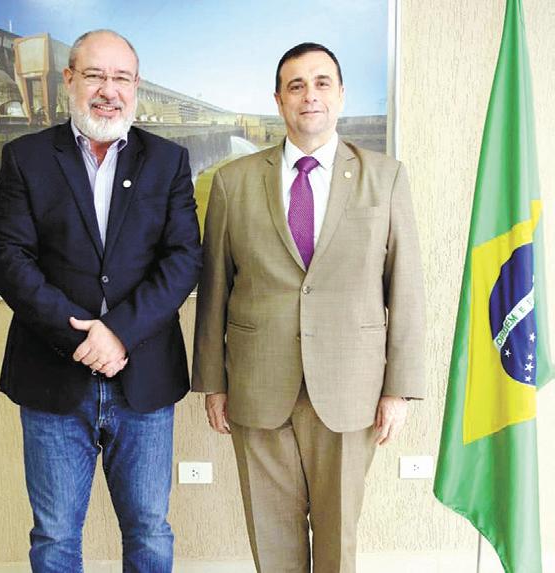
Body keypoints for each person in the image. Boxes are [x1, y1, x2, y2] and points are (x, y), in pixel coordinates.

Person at [192, 42, 425, 573]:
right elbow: (214, 288)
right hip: (256, 386)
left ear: (341, 94)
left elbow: (407, 289)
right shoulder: (233, 181)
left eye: (321, 83)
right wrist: (212, 382)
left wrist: (398, 389)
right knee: (271, 538)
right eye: (295, 86)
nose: (309, 95)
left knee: (339, 538)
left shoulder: (385, 177)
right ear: (278, 100)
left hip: (351, 390)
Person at [0, 29, 201, 573]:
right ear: (69, 80)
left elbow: (183, 260)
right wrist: (81, 337)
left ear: (136, 85)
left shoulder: (168, 161)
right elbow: (9, 260)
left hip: (144, 378)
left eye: (121, 78)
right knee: (55, 536)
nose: (109, 90)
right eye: (95, 75)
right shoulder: (26, 158)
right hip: (52, 376)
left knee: (149, 530)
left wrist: (119, 333)